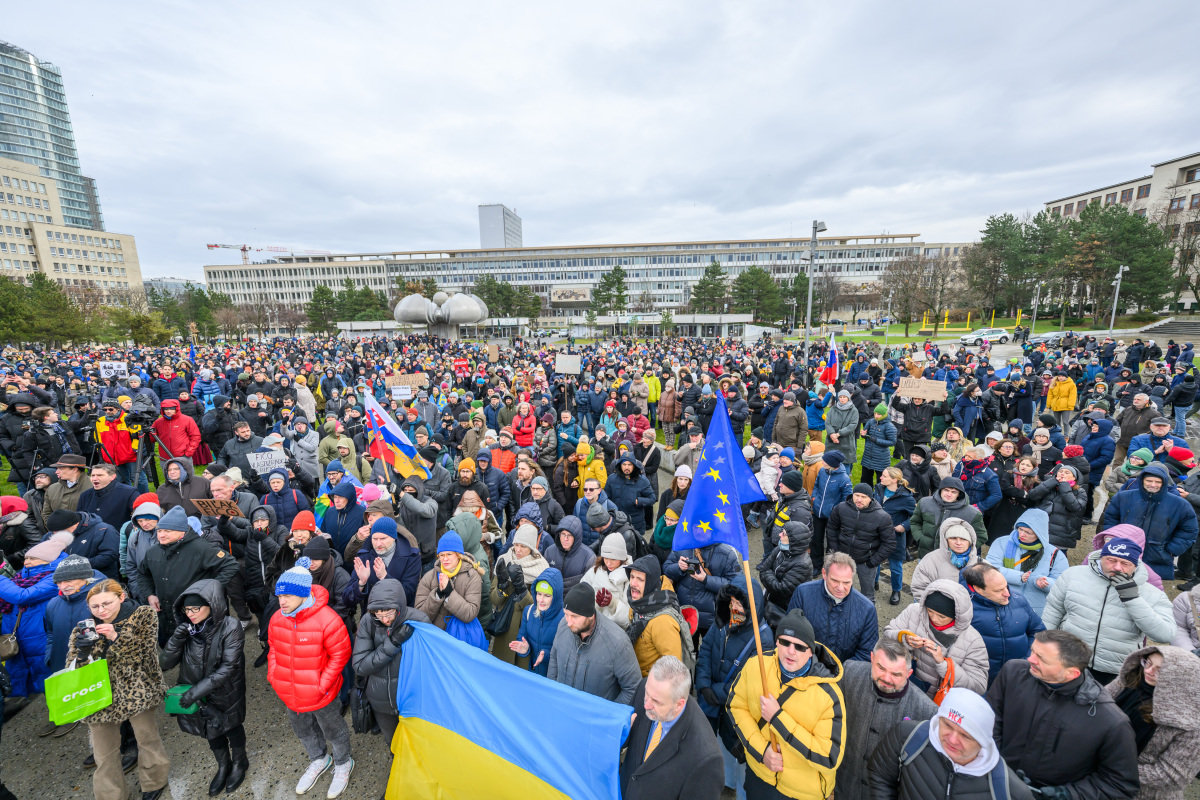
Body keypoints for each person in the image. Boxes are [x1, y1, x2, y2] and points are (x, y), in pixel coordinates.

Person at [986, 629, 1139, 800]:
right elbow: (990, 722)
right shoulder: (1013, 672)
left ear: (1071, 673)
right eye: (1033, 651)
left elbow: (1120, 784)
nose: (1030, 659)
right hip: (995, 784)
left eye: (1041, 658)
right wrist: (995, 765)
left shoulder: (1111, 721)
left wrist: (1067, 795)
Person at [67, 579, 170, 800]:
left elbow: (145, 653)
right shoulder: (82, 630)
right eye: (95, 607)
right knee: (103, 754)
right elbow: (72, 670)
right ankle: (111, 795)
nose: (101, 610)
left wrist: (116, 637)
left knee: (147, 738)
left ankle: (154, 781)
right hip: (98, 695)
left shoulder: (142, 615)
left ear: (121, 597)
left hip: (137, 688)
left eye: (107, 604)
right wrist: (82, 655)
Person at [727, 609, 846, 800]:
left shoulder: (829, 696)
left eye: (800, 646)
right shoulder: (756, 665)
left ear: (810, 652)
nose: (791, 651)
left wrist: (777, 718)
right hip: (760, 776)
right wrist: (761, 750)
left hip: (801, 793)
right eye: (785, 642)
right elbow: (735, 706)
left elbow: (828, 757)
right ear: (776, 642)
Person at [267, 558, 355, 798]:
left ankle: (342, 763)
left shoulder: (327, 619)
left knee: (334, 731)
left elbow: (341, 655)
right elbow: (273, 649)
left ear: (303, 594)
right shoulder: (277, 619)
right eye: (279, 596)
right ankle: (318, 759)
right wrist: (274, 677)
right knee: (303, 731)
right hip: (289, 693)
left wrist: (321, 684)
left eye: (287, 597)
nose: (281, 602)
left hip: (320, 694)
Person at [1041, 530, 1176, 685]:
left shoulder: (1151, 593)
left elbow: (1165, 635)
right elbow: (1052, 612)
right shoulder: (1072, 576)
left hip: (1115, 670)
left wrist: (1132, 599)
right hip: (1069, 659)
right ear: (1101, 557)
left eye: (1125, 563)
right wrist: (1044, 648)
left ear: (1135, 564)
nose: (1117, 567)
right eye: (1111, 560)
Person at [158, 579, 250, 796]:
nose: (190, 614)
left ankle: (239, 761)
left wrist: (195, 692)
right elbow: (164, 664)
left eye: (196, 608)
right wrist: (177, 638)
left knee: (230, 724)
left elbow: (229, 667)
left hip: (225, 690)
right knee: (209, 729)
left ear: (213, 604)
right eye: (187, 609)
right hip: (195, 693)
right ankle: (223, 764)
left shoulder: (230, 626)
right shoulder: (187, 629)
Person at [867, 687, 1033, 800]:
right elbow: (880, 774)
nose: (952, 739)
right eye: (947, 725)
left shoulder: (1009, 789)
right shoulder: (908, 737)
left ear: (982, 741)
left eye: (965, 736)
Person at [695, 572, 773, 798]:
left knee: (741, 759)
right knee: (721, 748)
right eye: (731, 602)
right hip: (718, 707)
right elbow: (706, 648)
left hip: (739, 714)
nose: (734, 608)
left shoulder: (763, 639)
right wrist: (703, 683)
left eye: (740, 604)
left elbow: (752, 685)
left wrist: (714, 692)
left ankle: (739, 792)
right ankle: (725, 783)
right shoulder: (722, 620)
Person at [836, 639, 937, 800]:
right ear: (871, 658)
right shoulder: (849, 673)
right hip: (841, 787)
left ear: (909, 674)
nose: (886, 678)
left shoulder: (927, 711)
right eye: (880, 668)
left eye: (896, 674)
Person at [620, 655, 724, 800]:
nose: (646, 705)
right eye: (646, 694)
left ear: (679, 704)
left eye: (656, 701)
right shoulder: (650, 689)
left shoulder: (706, 760)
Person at [351, 578, 429, 769]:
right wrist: (392, 644)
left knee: (419, 745)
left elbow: (428, 664)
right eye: (379, 614)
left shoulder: (419, 621)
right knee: (394, 745)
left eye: (389, 613)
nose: (385, 620)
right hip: (381, 702)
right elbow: (360, 665)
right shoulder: (368, 622)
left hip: (412, 700)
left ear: (400, 606)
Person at [135, 506, 241, 645]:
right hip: (166, 614)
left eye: (167, 531)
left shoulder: (201, 548)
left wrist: (208, 592)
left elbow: (230, 565)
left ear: (182, 532)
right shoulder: (153, 551)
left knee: (200, 653)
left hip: (196, 613)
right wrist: (150, 594)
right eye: (159, 531)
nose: (161, 535)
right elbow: (143, 574)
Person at [1107, 645, 1200, 800]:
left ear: (1181, 677)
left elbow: (1172, 776)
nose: (1148, 671)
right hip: (1099, 780)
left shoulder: (1192, 722)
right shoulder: (1129, 681)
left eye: (1159, 670)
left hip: (1144, 794)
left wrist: (1112, 768)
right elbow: (1096, 706)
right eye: (1148, 663)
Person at [884, 579, 989, 698]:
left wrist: (943, 664)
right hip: (903, 688)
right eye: (930, 611)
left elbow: (979, 686)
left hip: (937, 702)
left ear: (957, 615)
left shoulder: (973, 640)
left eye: (942, 616)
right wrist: (904, 637)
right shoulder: (913, 611)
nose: (934, 618)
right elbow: (887, 634)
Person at [546, 583, 641, 704]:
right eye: (566, 614)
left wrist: (609, 715)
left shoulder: (617, 642)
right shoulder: (563, 625)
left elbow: (633, 687)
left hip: (594, 720)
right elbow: (554, 657)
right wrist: (552, 692)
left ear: (590, 615)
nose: (568, 622)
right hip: (563, 708)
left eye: (574, 616)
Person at [1102, 463, 1199, 581]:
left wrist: (1172, 550)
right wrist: (1112, 539)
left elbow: (1189, 529)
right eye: (1149, 481)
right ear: (1142, 480)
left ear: (1164, 482)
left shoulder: (1179, 504)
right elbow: (1111, 518)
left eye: (1158, 482)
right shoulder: (1123, 497)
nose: (1153, 485)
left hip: (1158, 558)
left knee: (1148, 592)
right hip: (1123, 553)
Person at [0, 536, 67, 705]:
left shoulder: (55, 577)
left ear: (48, 560)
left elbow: (22, 597)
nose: (27, 561)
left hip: (41, 633)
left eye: (33, 558)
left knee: (51, 674)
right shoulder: (23, 577)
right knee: (38, 675)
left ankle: (68, 714)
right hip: (25, 636)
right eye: (27, 557)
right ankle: (58, 712)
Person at [963, 562, 1045, 686]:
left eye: (1006, 586)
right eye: (999, 590)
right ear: (978, 589)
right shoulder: (962, 606)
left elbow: (1038, 632)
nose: (1007, 593)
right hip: (980, 682)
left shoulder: (1018, 599)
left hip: (1018, 678)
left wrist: (1027, 659)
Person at [787, 552, 877, 664]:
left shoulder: (867, 609)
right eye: (835, 581)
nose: (840, 588)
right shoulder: (802, 593)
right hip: (805, 669)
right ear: (824, 574)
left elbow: (865, 653)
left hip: (843, 677)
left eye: (846, 582)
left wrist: (839, 674)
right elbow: (790, 634)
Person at [984, 509, 1066, 616]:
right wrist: (1019, 577)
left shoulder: (1055, 554)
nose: (1021, 534)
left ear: (1039, 534)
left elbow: (1062, 585)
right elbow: (990, 569)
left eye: (1028, 532)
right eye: (1020, 529)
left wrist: (1044, 583)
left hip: (1036, 609)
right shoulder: (1001, 543)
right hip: (1001, 603)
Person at [489, 523, 549, 669]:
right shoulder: (504, 560)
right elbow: (494, 600)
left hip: (526, 632)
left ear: (532, 548)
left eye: (523, 546)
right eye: (516, 544)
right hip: (505, 629)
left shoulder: (541, 568)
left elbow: (537, 608)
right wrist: (502, 586)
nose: (518, 550)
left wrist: (523, 590)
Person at [826, 482, 894, 603]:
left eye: (864, 497)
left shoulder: (882, 517)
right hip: (843, 558)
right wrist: (835, 550)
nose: (859, 499)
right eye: (856, 495)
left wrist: (872, 562)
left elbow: (889, 543)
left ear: (870, 498)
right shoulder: (841, 508)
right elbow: (831, 528)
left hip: (865, 562)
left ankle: (867, 619)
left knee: (867, 597)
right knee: (839, 590)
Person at [663, 537, 741, 641]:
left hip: (712, 617)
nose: (698, 531)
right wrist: (678, 567)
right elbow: (666, 568)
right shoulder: (683, 544)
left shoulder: (727, 553)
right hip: (685, 613)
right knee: (689, 652)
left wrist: (706, 579)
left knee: (711, 652)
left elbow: (735, 585)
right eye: (696, 526)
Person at [344, 517, 422, 618]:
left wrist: (385, 577)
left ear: (394, 537)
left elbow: (408, 595)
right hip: (372, 620)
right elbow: (347, 600)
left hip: (400, 619)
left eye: (383, 539)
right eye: (375, 539)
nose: (378, 544)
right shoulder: (364, 557)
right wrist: (361, 583)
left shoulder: (412, 557)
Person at [628, 555, 690, 677]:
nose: (633, 583)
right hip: (636, 676)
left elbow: (673, 671)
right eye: (631, 576)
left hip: (651, 686)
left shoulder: (663, 622)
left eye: (640, 579)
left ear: (651, 583)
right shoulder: (638, 603)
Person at [414, 531, 485, 633]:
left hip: (459, 635)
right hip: (435, 635)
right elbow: (420, 615)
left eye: (449, 554)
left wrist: (449, 594)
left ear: (458, 555)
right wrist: (437, 595)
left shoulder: (472, 576)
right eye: (441, 555)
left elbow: (470, 613)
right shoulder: (429, 577)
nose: (445, 559)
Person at [908, 476, 986, 559]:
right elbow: (915, 521)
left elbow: (981, 536)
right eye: (946, 490)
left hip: (953, 559)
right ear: (940, 489)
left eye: (954, 492)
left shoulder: (972, 513)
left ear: (959, 494)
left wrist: (963, 550)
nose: (949, 494)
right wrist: (921, 539)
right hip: (926, 555)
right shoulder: (924, 503)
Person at [910, 518, 982, 603]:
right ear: (946, 540)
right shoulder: (930, 560)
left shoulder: (981, 564)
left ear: (970, 541)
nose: (958, 542)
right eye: (953, 538)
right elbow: (919, 589)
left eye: (963, 539)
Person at [44, 508, 121, 580]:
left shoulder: (103, 530)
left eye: (59, 531)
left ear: (74, 524)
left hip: (96, 580)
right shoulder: (53, 533)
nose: (55, 534)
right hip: (61, 580)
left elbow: (109, 556)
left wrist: (77, 564)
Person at [580, 532, 633, 630]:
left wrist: (612, 603)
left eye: (613, 559)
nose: (608, 563)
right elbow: (580, 594)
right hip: (593, 627)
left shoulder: (630, 577)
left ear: (622, 558)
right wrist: (594, 603)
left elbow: (629, 618)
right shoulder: (594, 571)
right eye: (606, 558)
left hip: (617, 631)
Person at [78, 463, 139, 533]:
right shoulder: (85, 495)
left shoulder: (129, 492)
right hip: (90, 538)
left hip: (117, 537)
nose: (94, 478)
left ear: (112, 477)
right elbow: (80, 519)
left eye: (100, 475)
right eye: (92, 475)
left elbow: (139, 516)